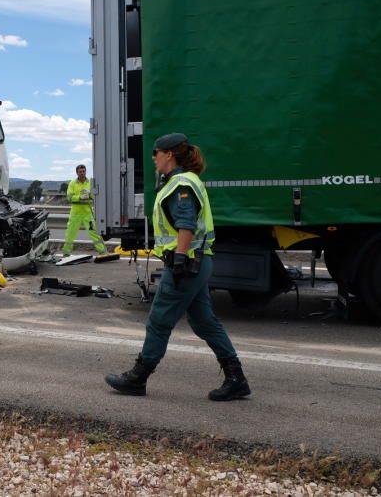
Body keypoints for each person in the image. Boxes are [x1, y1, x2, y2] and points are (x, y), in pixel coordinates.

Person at [105, 133, 251, 401]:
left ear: (169, 155)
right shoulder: (185, 181)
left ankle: (138, 377)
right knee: (205, 322)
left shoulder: (180, 184)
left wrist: (180, 258)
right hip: (199, 262)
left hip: (187, 264)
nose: (154, 159)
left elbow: (186, 224)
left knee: (159, 321)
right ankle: (236, 378)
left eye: (156, 153)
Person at [61, 164, 107, 257]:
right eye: (80, 172)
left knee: (94, 233)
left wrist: (90, 194)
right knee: (70, 234)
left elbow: (95, 195)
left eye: (83, 171)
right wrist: (80, 197)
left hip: (87, 213)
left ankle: (103, 252)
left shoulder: (90, 182)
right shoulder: (72, 183)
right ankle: (66, 254)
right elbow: (69, 197)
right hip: (75, 213)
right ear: (77, 173)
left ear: (85, 171)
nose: (82, 173)